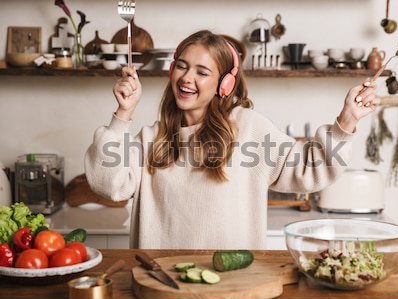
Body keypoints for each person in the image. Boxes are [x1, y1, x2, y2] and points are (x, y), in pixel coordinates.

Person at [85, 30, 380, 249]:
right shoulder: (152, 138)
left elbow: (310, 168)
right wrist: (123, 114)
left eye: (202, 72)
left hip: (233, 286)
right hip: (161, 283)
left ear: (224, 85)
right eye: (182, 66)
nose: (188, 78)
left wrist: (347, 120)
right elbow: (107, 184)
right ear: (171, 70)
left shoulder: (249, 129)